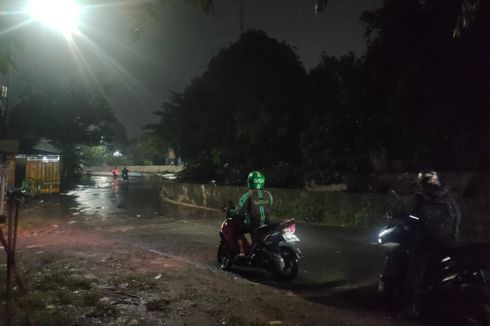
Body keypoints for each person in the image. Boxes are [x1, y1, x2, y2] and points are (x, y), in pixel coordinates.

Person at [395, 170, 461, 318]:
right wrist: (454, 234)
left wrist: (397, 213)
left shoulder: (419, 197)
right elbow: (457, 216)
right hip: (447, 239)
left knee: (414, 272)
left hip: (425, 240)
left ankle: (409, 308)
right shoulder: (447, 196)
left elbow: (403, 210)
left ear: (422, 183)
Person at [228, 171, 273, 257]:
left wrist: (230, 211)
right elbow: (269, 207)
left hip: (252, 225)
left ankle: (242, 252)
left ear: (249, 182)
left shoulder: (248, 195)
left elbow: (239, 213)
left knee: (237, 231)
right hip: (265, 224)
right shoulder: (269, 195)